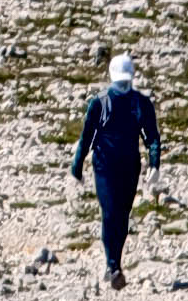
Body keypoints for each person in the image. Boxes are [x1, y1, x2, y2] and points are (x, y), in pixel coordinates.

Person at [70, 55, 166, 287]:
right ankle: (112, 265)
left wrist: (154, 164)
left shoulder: (141, 104)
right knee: (110, 212)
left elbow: (152, 137)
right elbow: (87, 137)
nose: (123, 86)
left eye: (126, 81)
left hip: (130, 167)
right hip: (104, 167)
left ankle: (115, 263)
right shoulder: (99, 103)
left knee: (122, 215)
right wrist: (77, 166)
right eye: (120, 82)